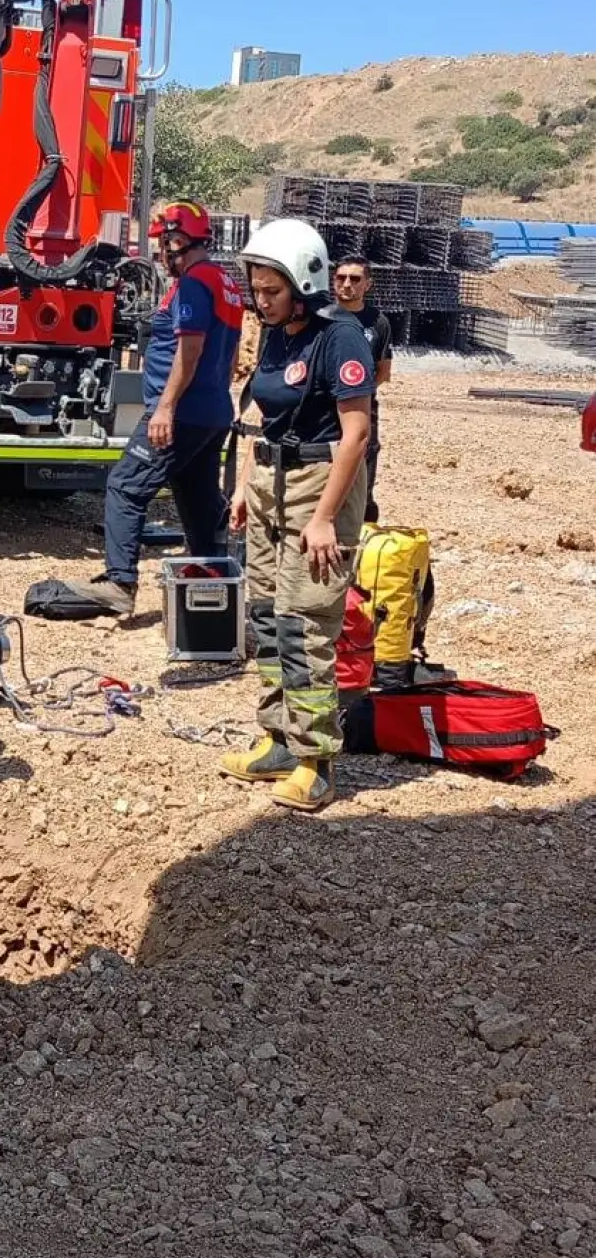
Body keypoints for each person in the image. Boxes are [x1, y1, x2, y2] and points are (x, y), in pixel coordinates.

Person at [221, 218, 374, 814]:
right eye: (255, 290)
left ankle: (316, 762)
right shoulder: (276, 333)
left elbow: (356, 435)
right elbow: (268, 419)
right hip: (269, 480)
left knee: (304, 624)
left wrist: (323, 520)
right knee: (263, 617)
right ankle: (277, 741)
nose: (261, 301)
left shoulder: (341, 338)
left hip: (320, 486)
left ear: (304, 283)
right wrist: (244, 486)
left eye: (271, 291)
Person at [88, 201, 245, 618]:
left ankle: (120, 581)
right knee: (197, 500)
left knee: (125, 486)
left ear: (179, 241)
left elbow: (189, 351)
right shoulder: (225, 283)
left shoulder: (194, 282)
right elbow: (229, 357)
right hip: (212, 411)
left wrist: (165, 409)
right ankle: (213, 592)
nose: (160, 254)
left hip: (179, 412)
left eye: (164, 244)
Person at [331, 255, 392, 521]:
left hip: (363, 407)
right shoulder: (321, 317)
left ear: (368, 284)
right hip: (323, 410)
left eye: (355, 279)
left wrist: (356, 394)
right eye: (341, 278)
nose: (347, 284)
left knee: (363, 470)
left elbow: (383, 370)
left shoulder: (378, 322)